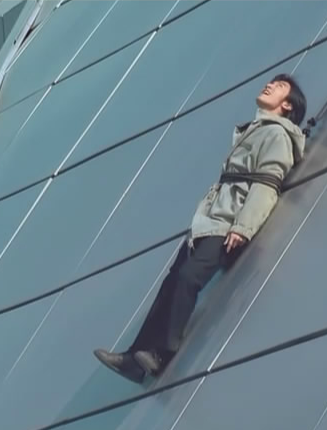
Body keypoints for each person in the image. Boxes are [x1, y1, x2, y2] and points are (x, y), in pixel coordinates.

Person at [94, 74, 307, 383]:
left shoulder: (277, 135)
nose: (270, 85)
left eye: (280, 86)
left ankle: (162, 354)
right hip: (208, 220)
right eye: (271, 82)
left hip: (228, 221)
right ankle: (134, 358)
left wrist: (243, 227)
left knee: (187, 278)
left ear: (287, 105)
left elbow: (268, 184)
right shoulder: (255, 130)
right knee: (171, 283)